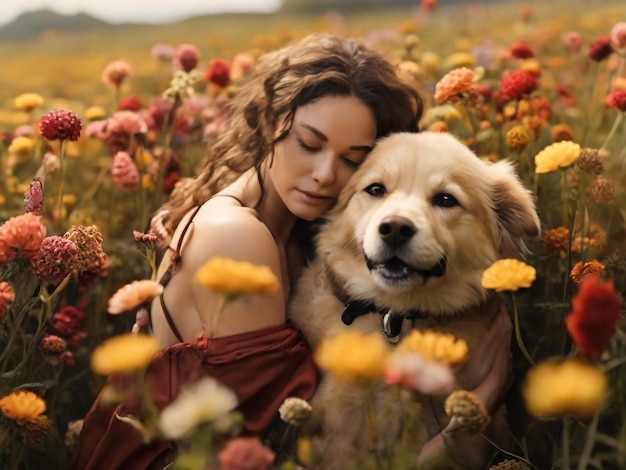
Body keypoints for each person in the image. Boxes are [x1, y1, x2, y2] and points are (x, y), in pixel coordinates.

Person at [69, 32, 423, 469]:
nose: (325, 175)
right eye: (308, 145)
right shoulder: (238, 234)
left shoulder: (300, 230)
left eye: (354, 159)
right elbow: (277, 428)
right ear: (268, 124)